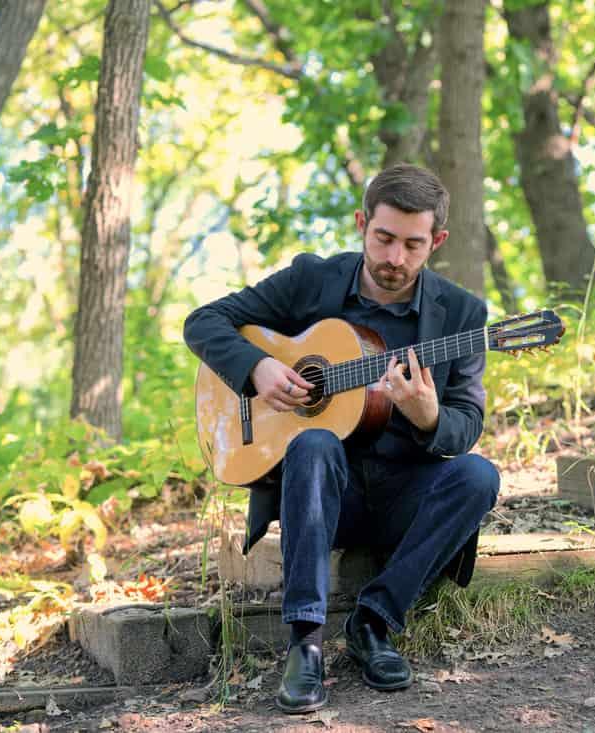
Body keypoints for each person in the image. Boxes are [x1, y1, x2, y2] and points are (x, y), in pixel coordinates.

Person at [183, 164, 500, 714]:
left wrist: (428, 416)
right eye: (383, 238)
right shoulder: (312, 281)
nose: (394, 258)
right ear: (361, 224)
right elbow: (203, 321)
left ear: (438, 242)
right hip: (323, 493)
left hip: (406, 496)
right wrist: (257, 368)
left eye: (412, 244)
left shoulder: (463, 317)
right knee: (313, 443)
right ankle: (304, 643)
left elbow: (467, 422)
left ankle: (374, 623)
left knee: (480, 474)